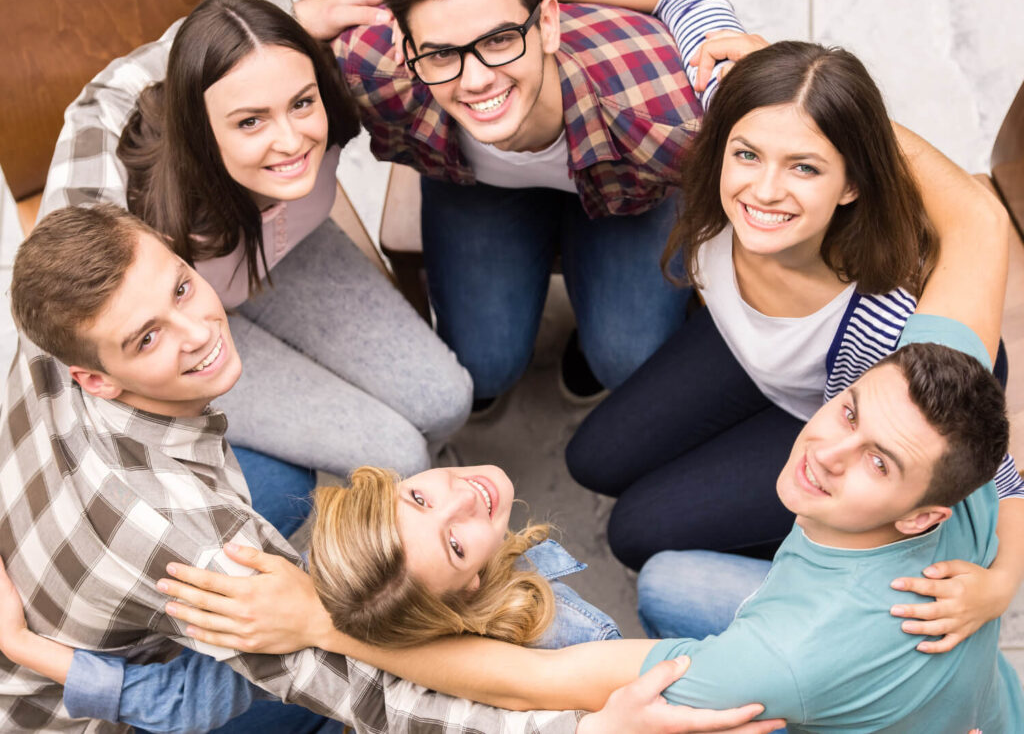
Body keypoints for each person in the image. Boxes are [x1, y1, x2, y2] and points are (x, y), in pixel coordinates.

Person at [0, 204, 777, 734]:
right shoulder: (219, 561)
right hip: (94, 663)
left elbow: (97, 111)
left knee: (286, 489)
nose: (200, 325)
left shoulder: (57, 316)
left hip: (92, 585)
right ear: (91, 376)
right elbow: (390, 703)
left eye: (180, 284)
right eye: (146, 339)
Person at [26, 343, 1018, 732]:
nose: (464, 499)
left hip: (940, 684)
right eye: (457, 546)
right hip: (876, 683)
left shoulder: (930, 436)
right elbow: (528, 703)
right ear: (464, 605)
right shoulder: (571, 652)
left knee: (669, 579)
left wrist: (1002, 574)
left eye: (418, 500)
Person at [563, 39, 1020, 582]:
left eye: (805, 166)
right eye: (748, 154)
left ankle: (811, 553)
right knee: (590, 459)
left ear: (852, 182)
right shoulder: (737, 128)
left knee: (635, 531)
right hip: (749, 353)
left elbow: (984, 466)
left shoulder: (886, 317)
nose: (765, 190)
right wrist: (788, 72)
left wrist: (1004, 573)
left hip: (833, 415)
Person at [303, 0, 747, 408]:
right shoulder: (371, 62)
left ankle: (594, 347)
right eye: (442, 55)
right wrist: (295, 19)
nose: (475, 81)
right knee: (482, 367)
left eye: (499, 41)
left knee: (628, 358)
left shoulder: (668, 116)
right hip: (476, 181)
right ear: (408, 53)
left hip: (628, 172)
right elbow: (229, 80)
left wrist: (750, 78)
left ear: (548, 25)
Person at [40, 0, 473, 489]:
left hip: (290, 255)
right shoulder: (153, 210)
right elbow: (100, 102)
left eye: (300, 103)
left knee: (446, 400)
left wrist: (295, 16)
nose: (291, 142)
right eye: (250, 121)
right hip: (187, 326)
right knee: (397, 456)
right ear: (203, 129)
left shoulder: (334, 97)